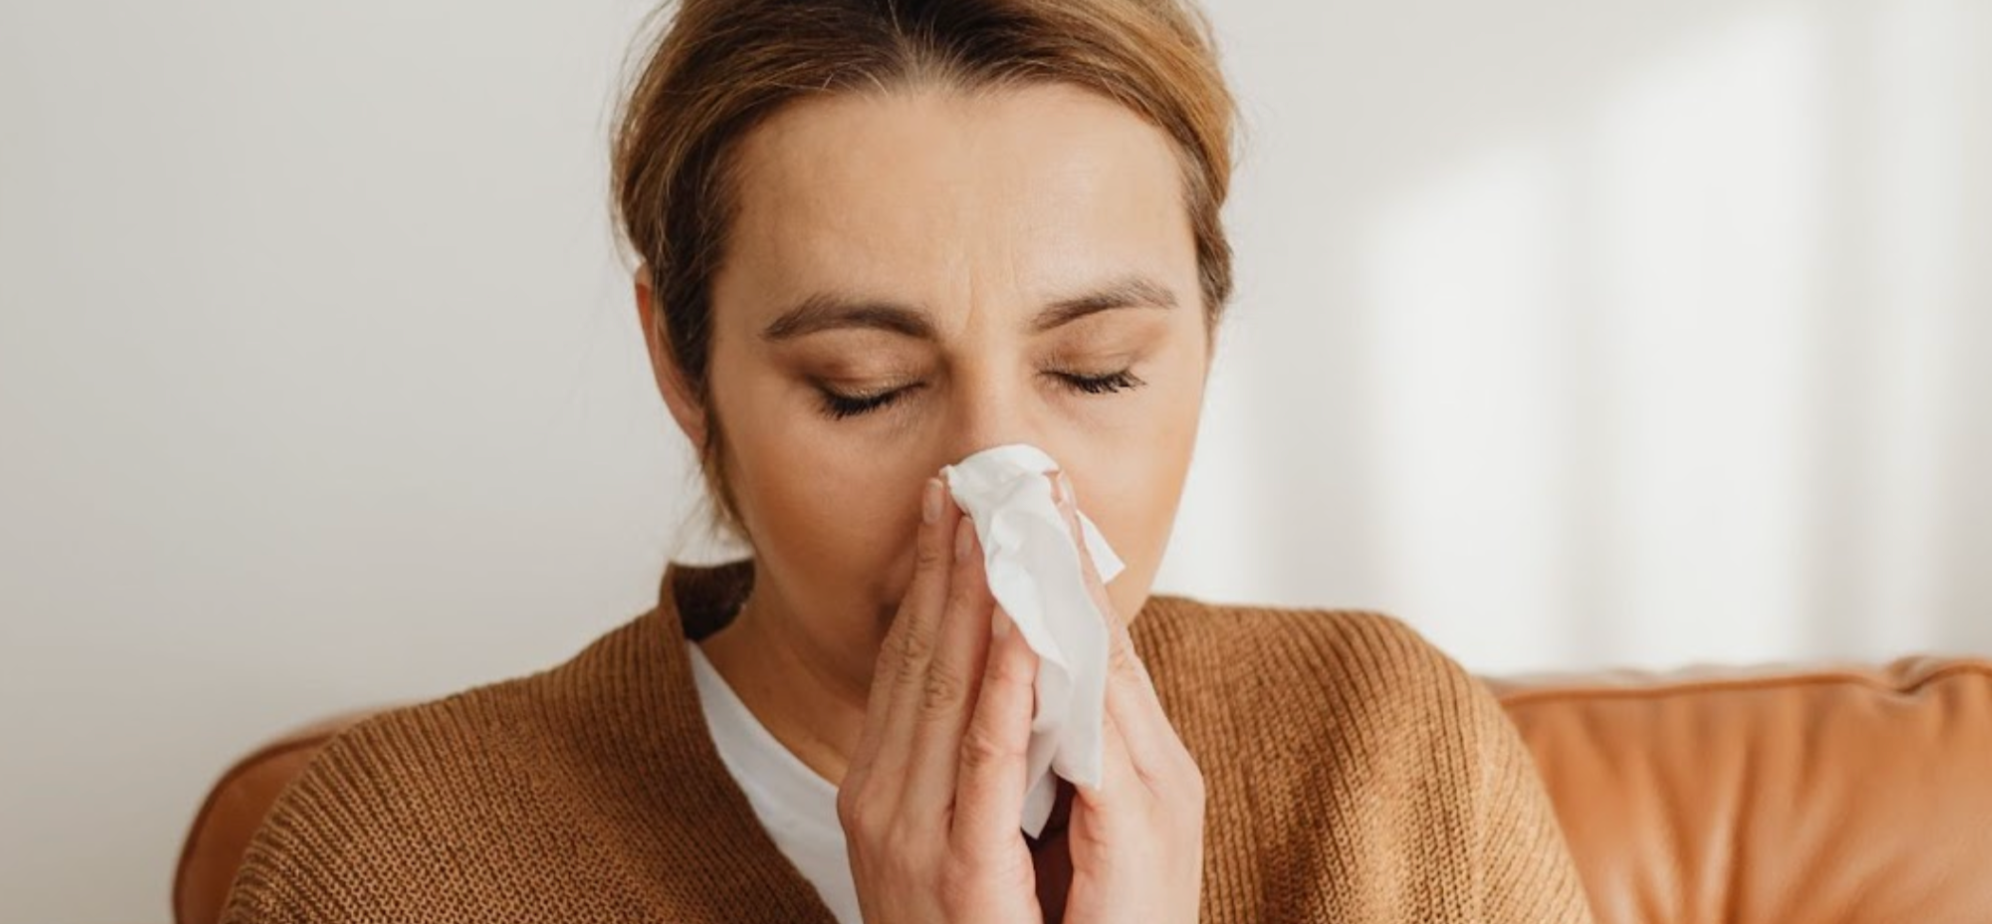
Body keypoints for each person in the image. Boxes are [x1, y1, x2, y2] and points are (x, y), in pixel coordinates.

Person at [220, 1, 1596, 921]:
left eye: (1096, 369)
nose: (1006, 501)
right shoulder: (391, 865)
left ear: (1211, 336)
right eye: (863, 391)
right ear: (682, 368)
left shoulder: (1390, 759)